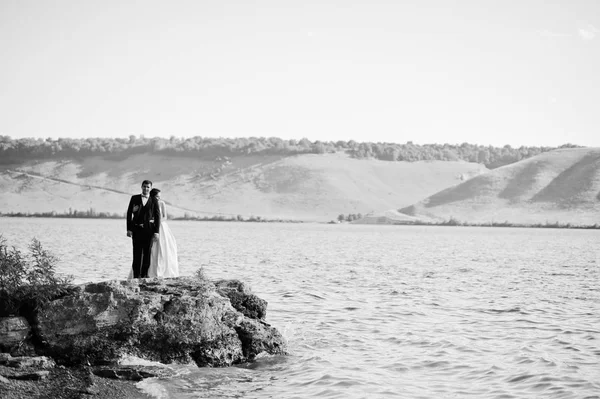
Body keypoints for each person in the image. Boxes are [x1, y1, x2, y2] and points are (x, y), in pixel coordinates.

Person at [126, 180, 161, 278]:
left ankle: (145, 275)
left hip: (149, 231)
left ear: (150, 188)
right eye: (144, 186)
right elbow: (129, 214)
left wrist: (156, 232)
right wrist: (128, 229)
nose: (146, 189)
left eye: (148, 187)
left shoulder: (154, 200)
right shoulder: (134, 198)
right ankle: (136, 276)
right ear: (141, 187)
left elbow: (157, 216)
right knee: (136, 253)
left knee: (147, 253)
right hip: (136, 229)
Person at [147, 188, 179, 278]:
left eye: (159, 197)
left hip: (162, 228)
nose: (158, 199)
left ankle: (163, 271)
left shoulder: (162, 203)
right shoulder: (148, 203)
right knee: (152, 249)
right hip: (151, 227)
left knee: (163, 248)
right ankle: (150, 271)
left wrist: (157, 221)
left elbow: (165, 217)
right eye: (157, 197)